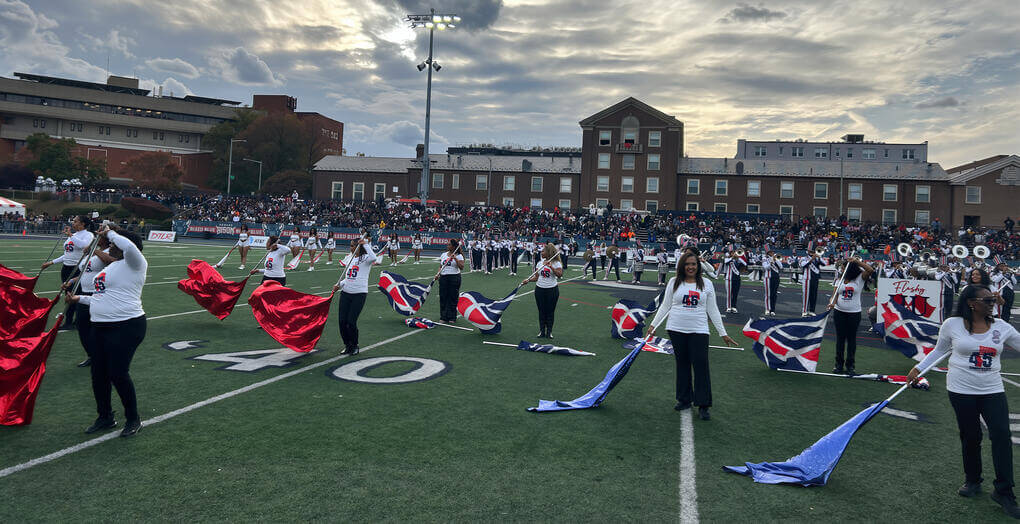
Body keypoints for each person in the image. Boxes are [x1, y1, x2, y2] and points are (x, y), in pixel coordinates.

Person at [907, 285, 1020, 519]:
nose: (992, 303)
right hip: (961, 389)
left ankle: (1004, 491)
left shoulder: (1002, 327)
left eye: (993, 299)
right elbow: (939, 351)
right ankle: (972, 480)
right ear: (971, 302)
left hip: (991, 389)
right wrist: (919, 368)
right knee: (970, 436)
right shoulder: (952, 325)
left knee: (1001, 435)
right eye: (987, 300)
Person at [65, 225, 147, 437]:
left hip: (126, 325)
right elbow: (102, 297)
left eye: (113, 243)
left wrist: (110, 232)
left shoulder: (135, 263)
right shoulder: (112, 267)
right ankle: (105, 417)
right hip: (101, 325)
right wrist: (79, 298)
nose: (110, 246)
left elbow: (128, 246)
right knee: (98, 374)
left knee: (118, 373)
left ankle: (133, 418)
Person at [648, 251, 738, 421]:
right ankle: (684, 399)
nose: (690, 267)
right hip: (676, 328)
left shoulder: (707, 284)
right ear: (682, 266)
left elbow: (713, 310)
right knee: (682, 364)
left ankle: (703, 405)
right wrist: (653, 325)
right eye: (687, 264)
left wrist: (723, 333)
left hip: (699, 330)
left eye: (694, 264)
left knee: (701, 366)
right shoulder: (674, 282)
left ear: (698, 266)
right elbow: (666, 305)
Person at [62, 234, 113, 368]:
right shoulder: (92, 252)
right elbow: (84, 272)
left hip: (99, 293)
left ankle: (104, 354)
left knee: (98, 327)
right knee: (82, 325)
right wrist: (71, 281)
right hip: (84, 292)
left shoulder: (109, 252)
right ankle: (92, 355)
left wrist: (93, 250)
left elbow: (110, 262)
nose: (95, 238)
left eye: (99, 236)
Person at [42, 215, 94, 330]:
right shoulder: (74, 235)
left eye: (75, 221)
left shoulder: (88, 235)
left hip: (78, 269)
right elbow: (67, 255)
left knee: (75, 296)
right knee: (69, 295)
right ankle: (73, 321)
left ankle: (71, 322)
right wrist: (51, 263)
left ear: (83, 224)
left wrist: (70, 235)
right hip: (66, 269)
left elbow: (83, 246)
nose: (73, 223)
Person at [828, 258, 875, 375]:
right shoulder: (839, 280)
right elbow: (834, 296)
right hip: (839, 313)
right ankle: (838, 364)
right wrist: (832, 303)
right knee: (840, 339)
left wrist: (856, 261)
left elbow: (870, 269)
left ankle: (850, 365)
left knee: (851, 339)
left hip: (854, 314)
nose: (841, 269)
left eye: (844, 268)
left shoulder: (860, 278)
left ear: (849, 269)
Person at [334, 238, 377, 355]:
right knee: (342, 321)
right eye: (351, 246)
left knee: (351, 322)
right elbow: (348, 277)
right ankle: (347, 345)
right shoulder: (350, 259)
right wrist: (339, 284)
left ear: (359, 247)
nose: (351, 248)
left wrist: (366, 244)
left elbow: (374, 258)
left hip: (359, 294)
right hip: (346, 292)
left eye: (353, 246)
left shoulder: (366, 259)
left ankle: (355, 345)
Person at [522, 243, 563, 338]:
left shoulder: (556, 263)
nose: (541, 252)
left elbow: (559, 275)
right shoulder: (539, 263)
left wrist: (550, 266)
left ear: (548, 252)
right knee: (541, 311)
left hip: (552, 290)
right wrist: (528, 280)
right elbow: (536, 277)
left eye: (543, 251)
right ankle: (542, 331)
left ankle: (549, 332)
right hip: (539, 289)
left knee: (550, 311)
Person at [437, 239, 464, 324]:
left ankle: (452, 317)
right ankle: (443, 317)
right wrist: (438, 273)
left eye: (449, 245)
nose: (447, 246)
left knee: (453, 297)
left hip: (454, 278)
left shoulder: (459, 256)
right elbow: (441, 266)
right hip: (444, 277)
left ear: (453, 246)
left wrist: (455, 259)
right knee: (443, 297)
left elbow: (461, 267)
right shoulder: (443, 255)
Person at [800, 250, 824, 316]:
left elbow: (824, 264)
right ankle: (804, 310)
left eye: (813, 252)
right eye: (811, 252)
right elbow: (803, 265)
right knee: (806, 295)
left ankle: (812, 310)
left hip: (815, 279)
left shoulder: (817, 258)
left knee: (814, 295)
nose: (812, 253)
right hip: (807, 279)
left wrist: (819, 257)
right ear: (808, 252)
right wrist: (812, 258)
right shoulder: (803, 258)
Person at [762, 252, 783, 317]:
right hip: (768, 278)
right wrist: (771, 262)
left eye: (773, 252)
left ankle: (772, 310)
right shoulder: (765, 258)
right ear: (768, 253)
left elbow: (781, 267)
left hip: (776, 278)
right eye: (771, 252)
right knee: (768, 294)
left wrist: (775, 260)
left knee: (774, 294)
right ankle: (767, 309)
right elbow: (765, 267)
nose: (772, 253)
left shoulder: (775, 258)